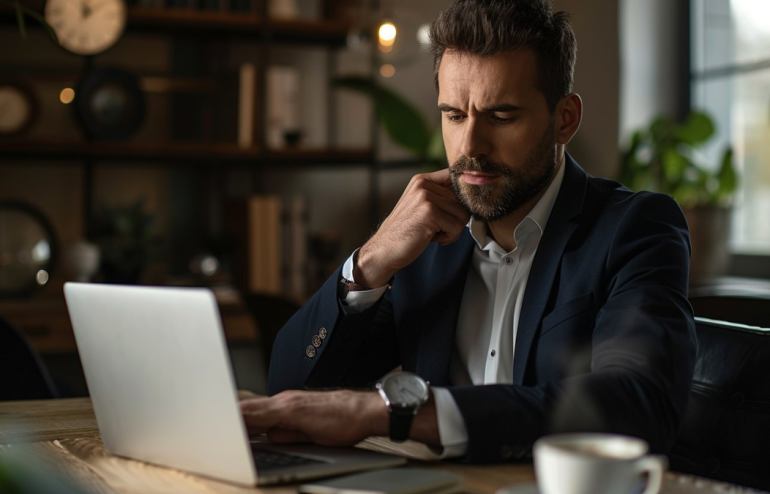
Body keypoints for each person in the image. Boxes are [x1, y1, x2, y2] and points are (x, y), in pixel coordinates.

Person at [240, 0, 696, 463]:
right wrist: (371, 260)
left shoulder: (635, 229)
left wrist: (393, 414)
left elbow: (639, 404)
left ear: (565, 120)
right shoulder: (426, 243)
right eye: (455, 116)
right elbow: (290, 389)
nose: (470, 147)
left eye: (501, 116)